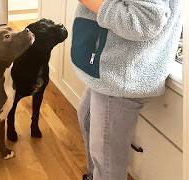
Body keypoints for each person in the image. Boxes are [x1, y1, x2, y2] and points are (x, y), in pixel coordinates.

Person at [70, 0, 182, 179]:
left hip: (120, 73)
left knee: (107, 162)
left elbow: (145, 21)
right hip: (108, 69)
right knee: (87, 120)